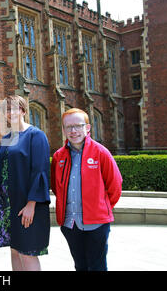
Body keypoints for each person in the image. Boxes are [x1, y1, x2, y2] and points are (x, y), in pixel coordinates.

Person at [51, 108, 122, 271]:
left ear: (87, 128)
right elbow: (57, 187)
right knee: (80, 266)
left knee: (97, 267)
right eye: (68, 127)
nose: (73, 131)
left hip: (97, 224)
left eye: (78, 125)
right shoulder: (58, 157)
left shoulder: (101, 153)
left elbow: (115, 186)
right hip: (70, 224)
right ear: (63, 129)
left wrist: (100, 209)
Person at [0, 95, 51, 271]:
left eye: (14, 108)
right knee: (14, 251)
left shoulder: (36, 135)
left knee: (27, 253)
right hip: (8, 205)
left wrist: (31, 204)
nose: (10, 112)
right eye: (6, 109)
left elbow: (40, 171)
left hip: (27, 205)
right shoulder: (6, 138)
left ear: (23, 111)